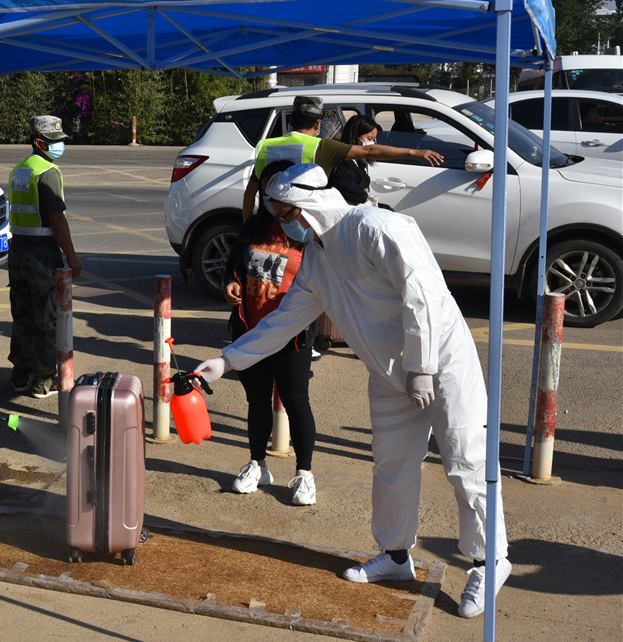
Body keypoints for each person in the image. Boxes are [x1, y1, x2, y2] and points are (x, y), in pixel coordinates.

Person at [195, 162, 510, 619]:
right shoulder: (317, 261)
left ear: (311, 205)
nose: (283, 225)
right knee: (392, 464)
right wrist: (228, 360)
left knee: (466, 461)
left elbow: (420, 294)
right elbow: (283, 322)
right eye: (277, 215)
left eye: (287, 214)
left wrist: (422, 366)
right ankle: (395, 556)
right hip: (388, 372)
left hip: (441, 362)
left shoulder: (378, 228)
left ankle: (489, 560)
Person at [223, 159, 318, 505]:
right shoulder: (254, 226)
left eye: (279, 191)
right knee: (257, 401)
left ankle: (304, 474)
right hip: (250, 330)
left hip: (292, 335)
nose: (272, 198)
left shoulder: (308, 231)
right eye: (267, 190)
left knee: (296, 402)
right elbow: (234, 264)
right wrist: (231, 283)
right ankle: (257, 465)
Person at [240, 96, 444, 222]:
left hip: (270, 225)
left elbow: (250, 193)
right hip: (304, 226)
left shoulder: (264, 146)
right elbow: (369, 152)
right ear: (318, 125)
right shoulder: (323, 146)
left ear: (291, 120)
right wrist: (414, 153)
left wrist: (248, 226)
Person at [7, 115, 82, 399]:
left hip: (18, 252)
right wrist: (72, 257)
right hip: (41, 254)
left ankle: (20, 374)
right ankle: (43, 380)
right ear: (38, 143)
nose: (59, 145)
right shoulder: (48, 172)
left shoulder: (20, 169)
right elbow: (57, 220)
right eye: (54, 141)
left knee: (22, 315)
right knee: (45, 318)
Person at [327, 114, 388, 207]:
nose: (372, 143)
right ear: (355, 136)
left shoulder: (358, 160)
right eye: (369, 138)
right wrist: (364, 194)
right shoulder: (344, 162)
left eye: (374, 140)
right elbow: (346, 188)